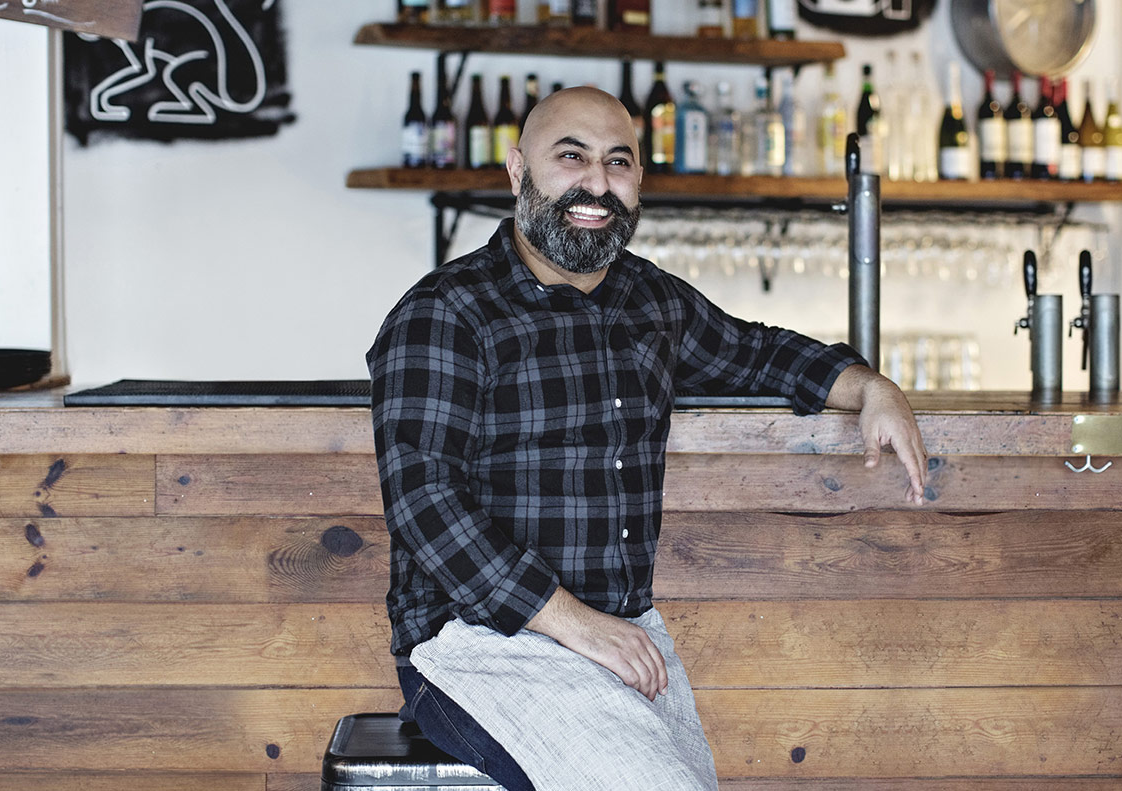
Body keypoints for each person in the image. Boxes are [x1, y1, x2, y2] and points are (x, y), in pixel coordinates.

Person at [367, 86, 927, 791]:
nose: (596, 183)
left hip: (617, 635)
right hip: (479, 645)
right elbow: (424, 502)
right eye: (570, 157)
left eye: (618, 162)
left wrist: (871, 386)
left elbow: (757, 354)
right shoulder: (444, 311)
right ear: (517, 171)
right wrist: (574, 624)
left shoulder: (649, 299)